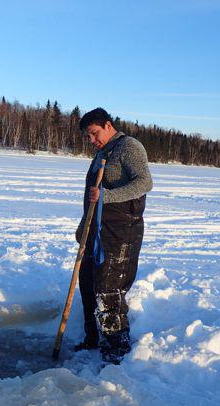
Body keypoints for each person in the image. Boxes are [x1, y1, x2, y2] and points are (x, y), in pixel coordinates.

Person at [75, 108, 152, 364]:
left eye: (94, 134)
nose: (92, 140)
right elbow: (92, 196)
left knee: (109, 288)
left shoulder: (129, 146)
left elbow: (144, 182)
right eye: (88, 137)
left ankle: (116, 349)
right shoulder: (101, 153)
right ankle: (92, 338)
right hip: (96, 228)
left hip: (122, 230)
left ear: (108, 125)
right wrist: (83, 225)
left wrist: (109, 196)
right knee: (87, 282)